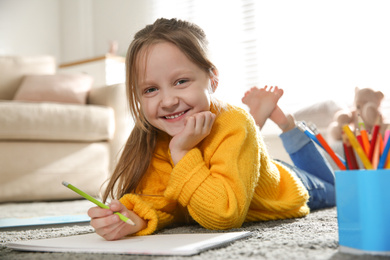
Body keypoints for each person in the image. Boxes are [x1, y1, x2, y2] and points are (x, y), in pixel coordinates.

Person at [87, 18, 335, 241]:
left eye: (181, 82)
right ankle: (258, 124)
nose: (168, 101)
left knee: (337, 191)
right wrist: (138, 218)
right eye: (150, 89)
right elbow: (165, 202)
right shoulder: (155, 135)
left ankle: (287, 125)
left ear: (213, 79)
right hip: (243, 163)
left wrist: (182, 152)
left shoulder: (234, 123)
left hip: (281, 186)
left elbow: (224, 216)